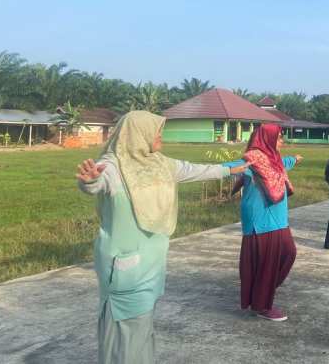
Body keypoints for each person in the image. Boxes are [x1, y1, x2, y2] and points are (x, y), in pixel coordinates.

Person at [75, 111, 251, 364]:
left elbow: (192, 169)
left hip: (151, 264)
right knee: (126, 330)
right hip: (124, 266)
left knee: (141, 329)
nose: (160, 135)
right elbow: (98, 182)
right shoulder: (114, 165)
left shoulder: (160, 164)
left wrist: (228, 169)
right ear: (139, 134)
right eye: (157, 131)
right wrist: (90, 182)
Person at [234, 123, 302, 322]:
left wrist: (295, 159)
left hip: (278, 218)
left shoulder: (275, 159)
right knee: (267, 262)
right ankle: (262, 305)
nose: (282, 141)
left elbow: (285, 163)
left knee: (288, 252)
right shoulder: (253, 160)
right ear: (267, 139)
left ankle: (262, 291)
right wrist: (214, 170)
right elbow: (233, 167)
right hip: (260, 218)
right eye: (279, 138)